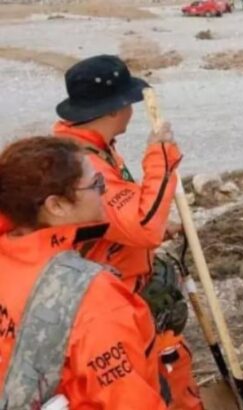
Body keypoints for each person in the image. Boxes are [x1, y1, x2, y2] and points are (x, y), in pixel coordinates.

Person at [52, 55, 201, 409]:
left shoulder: (89, 148)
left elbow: (114, 223)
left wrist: (159, 227)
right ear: (116, 108)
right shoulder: (83, 163)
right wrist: (160, 156)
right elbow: (142, 228)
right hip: (106, 309)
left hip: (119, 290)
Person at [0, 137, 166, 409]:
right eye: (97, 184)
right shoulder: (92, 295)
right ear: (57, 206)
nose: (104, 192)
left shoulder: (8, 257)